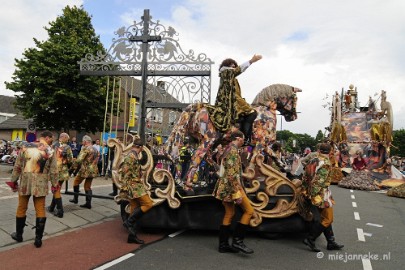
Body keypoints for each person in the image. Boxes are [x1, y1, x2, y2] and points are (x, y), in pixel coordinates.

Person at [9, 131, 58, 248]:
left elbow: (17, 166)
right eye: (51, 138)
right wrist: (55, 185)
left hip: (26, 182)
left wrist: (13, 181)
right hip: (41, 183)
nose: (51, 140)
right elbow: (54, 170)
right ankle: (38, 239)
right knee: (40, 208)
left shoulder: (25, 146)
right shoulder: (50, 150)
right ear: (46, 137)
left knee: (22, 207)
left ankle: (19, 235)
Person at [213, 130, 254, 254]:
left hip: (225, 187)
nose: (244, 141)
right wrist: (237, 193)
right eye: (243, 139)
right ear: (238, 138)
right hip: (232, 188)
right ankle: (238, 241)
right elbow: (232, 174)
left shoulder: (228, 149)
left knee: (229, 213)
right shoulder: (232, 151)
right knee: (249, 211)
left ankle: (223, 245)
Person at [207, 54, 262, 145]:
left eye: (234, 64)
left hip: (234, 103)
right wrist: (251, 61)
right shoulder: (226, 73)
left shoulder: (229, 76)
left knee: (247, 115)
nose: (233, 66)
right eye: (231, 64)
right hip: (231, 104)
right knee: (252, 113)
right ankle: (246, 139)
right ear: (226, 66)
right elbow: (237, 71)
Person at [302, 143, 344, 252]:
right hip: (320, 195)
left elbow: (305, 177)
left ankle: (331, 241)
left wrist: (306, 190)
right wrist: (313, 195)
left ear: (319, 151)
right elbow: (318, 182)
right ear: (330, 152)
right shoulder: (325, 163)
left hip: (310, 192)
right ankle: (310, 238)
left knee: (325, 217)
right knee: (328, 218)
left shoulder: (313, 160)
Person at [121, 138, 154, 244]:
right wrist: (125, 188)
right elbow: (125, 172)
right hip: (134, 186)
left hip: (134, 185)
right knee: (148, 203)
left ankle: (132, 236)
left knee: (134, 209)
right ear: (141, 147)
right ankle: (128, 222)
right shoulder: (130, 156)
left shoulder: (133, 155)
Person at [47, 133, 73, 218]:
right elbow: (70, 160)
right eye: (67, 138)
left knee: (56, 189)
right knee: (57, 189)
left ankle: (59, 210)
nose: (68, 140)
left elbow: (48, 157)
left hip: (54, 171)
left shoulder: (53, 145)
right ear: (64, 138)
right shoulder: (68, 147)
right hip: (63, 171)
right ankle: (52, 207)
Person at [69, 135, 99, 209]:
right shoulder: (95, 149)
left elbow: (79, 160)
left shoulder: (86, 149)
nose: (82, 143)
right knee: (87, 186)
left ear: (85, 141)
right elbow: (98, 158)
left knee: (76, 182)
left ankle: (75, 199)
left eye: (83, 141)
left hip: (85, 170)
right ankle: (88, 203)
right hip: (93, 170)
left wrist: (72, 168)